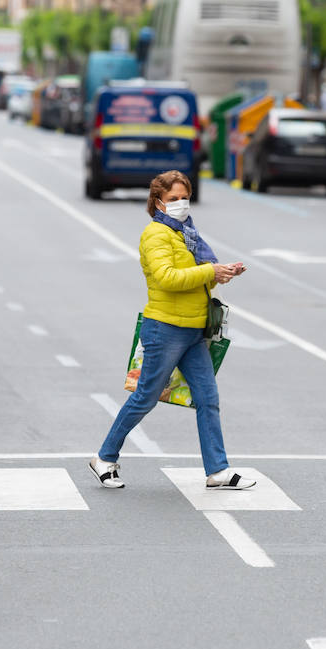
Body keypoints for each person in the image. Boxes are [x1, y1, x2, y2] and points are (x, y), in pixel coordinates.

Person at [91, 170, 254, 491]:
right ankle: (105, 458)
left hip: (194, 330)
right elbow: (167, 277)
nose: (181, 204)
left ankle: (217, 470)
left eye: (184, 198)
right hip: (165, 329)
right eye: (173, 199)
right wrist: (208, 269)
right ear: (158, 203)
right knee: (145, 397)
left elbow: (193, 276)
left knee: (208, 398)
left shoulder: (185, 234)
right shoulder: (156, 235)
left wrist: (220, 274)